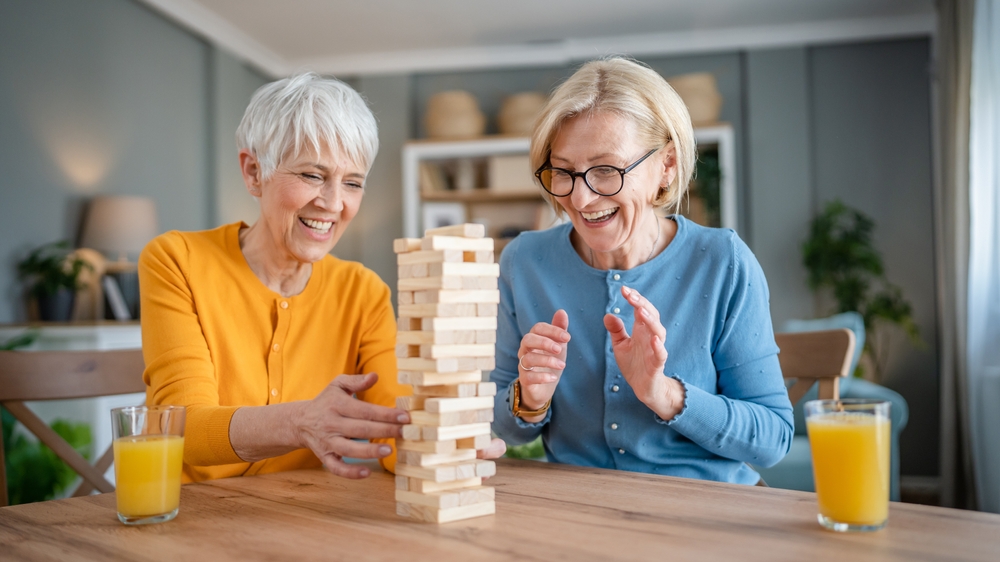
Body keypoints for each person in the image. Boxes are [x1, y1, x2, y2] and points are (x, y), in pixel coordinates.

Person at [490, 57, 793, 485]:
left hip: (704, 510)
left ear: (666, 165)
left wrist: (663, 394)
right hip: (577, 510)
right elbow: (504, 426)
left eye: (606, 170)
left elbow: (773, 439)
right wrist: (530, 399)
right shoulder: (523, 262)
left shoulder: (723, 262)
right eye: (563, 172)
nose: (581, 198)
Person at [139, 73, 409, 482]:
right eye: (312, 176)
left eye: (352, 183)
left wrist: (446, 445)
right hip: (186, 520)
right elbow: (183, 430)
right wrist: (301, 421)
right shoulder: (177, 261)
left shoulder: (364, 292)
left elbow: (394, 427)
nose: (333, 203)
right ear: (253, 172)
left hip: (299, 524)